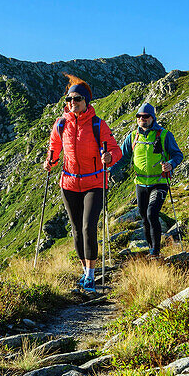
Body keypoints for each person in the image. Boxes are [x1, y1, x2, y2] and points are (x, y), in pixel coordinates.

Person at [43, 76, 122, 292]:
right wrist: (50, 161)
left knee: (88, 226)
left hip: (95, 183)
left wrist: (110, 158)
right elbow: (55, 146)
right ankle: (84, 270)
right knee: (77, 229)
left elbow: (116, 150)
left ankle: (90, 276)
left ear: (86, 101)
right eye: (69, 99)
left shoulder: (98, 125)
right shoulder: (61, 124)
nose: (72, 102)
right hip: (69, 184)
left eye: (77, 98)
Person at [110, 103, 183, 259]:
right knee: (144, 216)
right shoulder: (132, 137)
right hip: (141, 183)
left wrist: (171, 164)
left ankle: (156, 252)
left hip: (160, 182)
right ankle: (151, 249)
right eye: (139, 116)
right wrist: (109, 171)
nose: (142, 119)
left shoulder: (164, 135)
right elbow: (123, 158)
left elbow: (178, 155)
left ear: (152, 118)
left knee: (152, 213)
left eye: (145, 116)